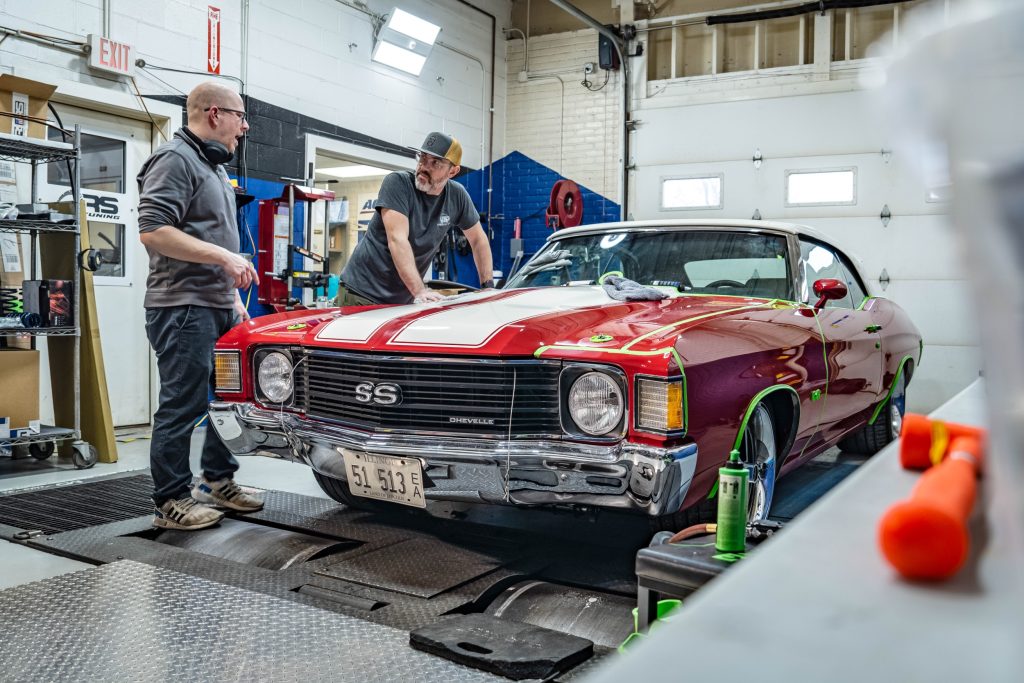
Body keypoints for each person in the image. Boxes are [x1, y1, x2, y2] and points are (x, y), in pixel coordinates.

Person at [137, 82, 263, 531]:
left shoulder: (212, 167)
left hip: (217, 305)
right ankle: (170, 500)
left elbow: (208, 235)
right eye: (240, 117)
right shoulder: (175, 159)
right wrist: (224, 258)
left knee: (230, 400)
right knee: (183, 405)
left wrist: (232, 299)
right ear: (214, 114)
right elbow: (153, 230)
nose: (244, 127)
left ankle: (216, 481)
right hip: (183, 307)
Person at [338, 131, 494, 305]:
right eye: (423, 158)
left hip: (400, 300)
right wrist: (419, 291)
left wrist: (487, 286)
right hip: (362, 293)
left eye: (435, 162)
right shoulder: (398, 184)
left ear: (453, 171)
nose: (424, 166)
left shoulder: (457, 196)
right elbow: (397, 240)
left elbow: (478, 239)